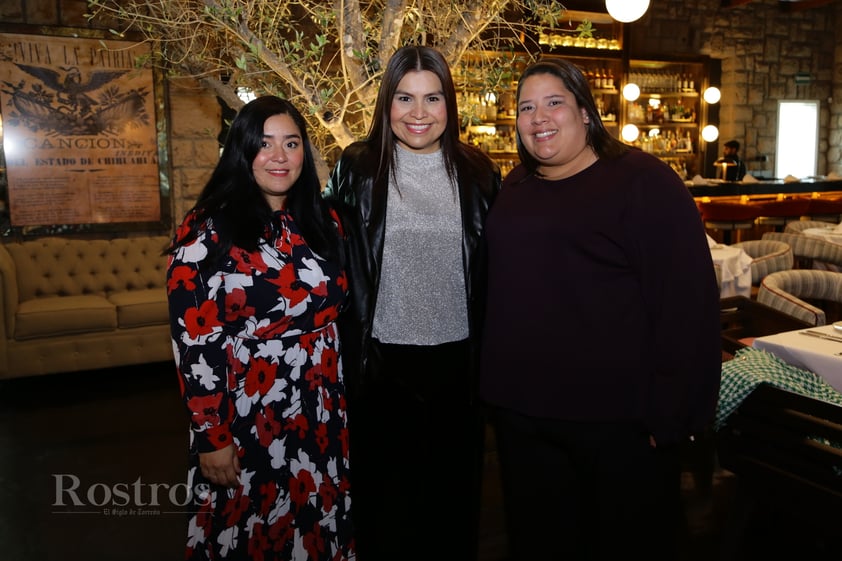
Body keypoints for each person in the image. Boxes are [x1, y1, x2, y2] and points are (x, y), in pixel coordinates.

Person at [479, 59, 722, 561]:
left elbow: (687, 303)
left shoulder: (643, 183)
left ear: (585, 112)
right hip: (525, 418)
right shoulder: (516, 187)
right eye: (526, 107)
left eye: (554, 103)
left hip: (619, 423)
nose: (538, 117)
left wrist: (673, 414)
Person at [324, 45, 500, 560]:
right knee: (385, 509)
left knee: (452, 507)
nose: (418, 113)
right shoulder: (357, 166)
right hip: (380, 365)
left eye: (432, 98)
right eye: (404, 98)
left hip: (457, 366)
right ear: (386, 103)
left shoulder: (478, 172)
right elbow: (324, 249)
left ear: (451, 104)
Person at [166, 95, 355, 561]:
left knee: (314, 528)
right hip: (248, 416)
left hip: (320, 411)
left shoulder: (323, 221)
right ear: (242, 151)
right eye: (265, 144)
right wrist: (212, 436)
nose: (279, 156)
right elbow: (194, 342)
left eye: (291, 144)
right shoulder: (207, 232)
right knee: (251, 532)